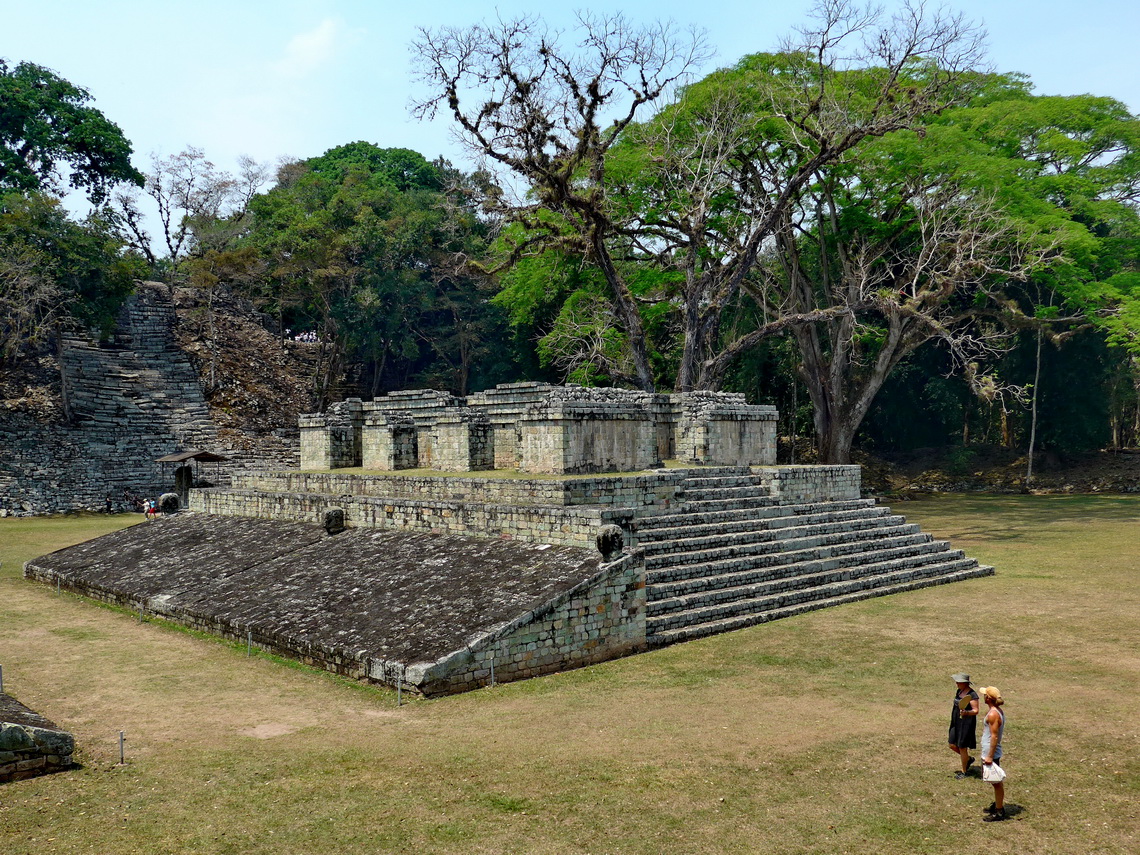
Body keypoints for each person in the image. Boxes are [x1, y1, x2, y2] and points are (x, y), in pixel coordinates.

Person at [980, 686, 1008, 821]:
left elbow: (994, 736)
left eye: (985, 694)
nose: (983, 696)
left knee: (996, 782)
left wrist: (990, 756)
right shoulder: (996, 711)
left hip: (991, 752)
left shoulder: (993, 714)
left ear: (988, 698)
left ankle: (999, 810)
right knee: (994, 781)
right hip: (990, 751)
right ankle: (997, 804)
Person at [948, 672, 980, 779]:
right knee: (952, 744)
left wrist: (966, 713)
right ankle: (968, 759)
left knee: (962, 747)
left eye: (959, 682)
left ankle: (964, 771)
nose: (957, 684)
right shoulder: (959, 691)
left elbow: (976, 710)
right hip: (956, 721)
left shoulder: (972, 695)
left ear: (965, 683)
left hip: (966, 723)